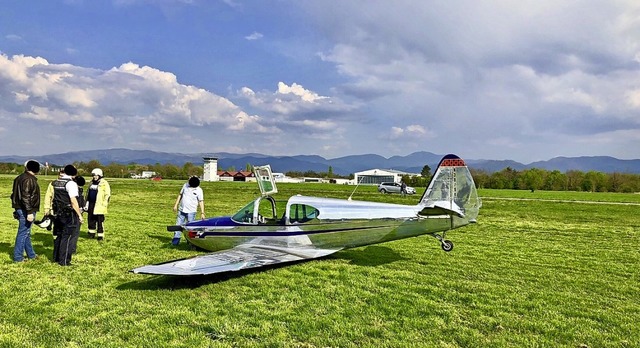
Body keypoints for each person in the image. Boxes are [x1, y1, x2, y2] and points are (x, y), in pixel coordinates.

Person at [50, 164, 83, 266]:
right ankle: (64, 261)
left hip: (58, 212)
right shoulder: (71, 184)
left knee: (59, 235)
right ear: (74, 173)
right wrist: (79, 215)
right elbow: (73, 201)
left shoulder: (56, 182)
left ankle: (56, 257)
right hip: (69, 213)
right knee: (68, 237)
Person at [11, 160, 41, 262]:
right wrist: (29, 212)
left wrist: (16, 208)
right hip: (26, 209)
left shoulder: (19, 178)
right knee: (23, 233)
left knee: (26, 232)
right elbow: (26, 197)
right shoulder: (29, 179)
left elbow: (14, 195)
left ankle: (31, 254)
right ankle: (18, 257)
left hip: (20, 208)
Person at [172, 176, 205, 245]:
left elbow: (201, 201)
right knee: (178, 226)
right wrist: (176, 205)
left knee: (190, 228)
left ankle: (190, 242)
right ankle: (175, 242)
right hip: (181, 210)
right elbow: (180, 195)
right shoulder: (185, 185)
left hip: (191, 212)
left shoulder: (199, 190)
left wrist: (202, 213)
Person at [86, 168, 110, 241]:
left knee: (99, 220)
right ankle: (91, 233)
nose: (94, 177)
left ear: (100, 175)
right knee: (91, 219)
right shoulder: (91, 183)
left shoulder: (104, 183)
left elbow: (107, 194)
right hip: (91, 204)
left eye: (96, 175)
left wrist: (105, 203)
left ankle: (100, 235)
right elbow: (87, 193)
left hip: (99, 205)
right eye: (93, 175)